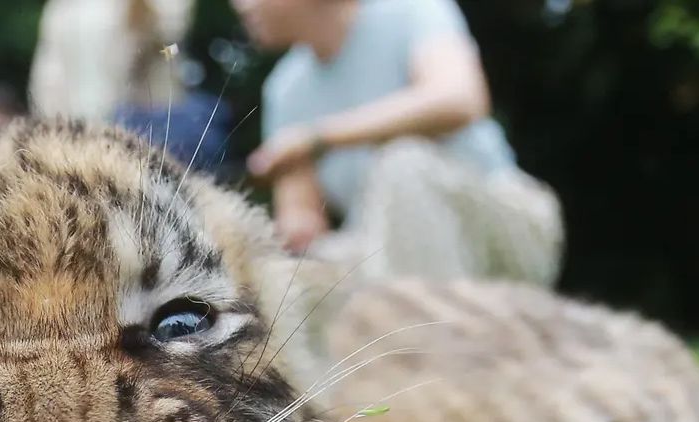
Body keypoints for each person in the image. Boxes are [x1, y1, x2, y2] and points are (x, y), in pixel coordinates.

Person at [235, 0, 563, 285]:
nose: (241, 5)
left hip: (505, 225)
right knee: (306, 270)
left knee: (403, 165)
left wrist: (319, 138)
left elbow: (460, 99)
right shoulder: (284, 88)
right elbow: (302, 219)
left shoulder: (411, 10)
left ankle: (434, 344)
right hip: (379, 249)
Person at [30, 0, 230, 173]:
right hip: (94, 132)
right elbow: (48, 79)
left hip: (142, 125)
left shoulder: (60, 10)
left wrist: (156, 49)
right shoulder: (62, 9)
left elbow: (174, 49)